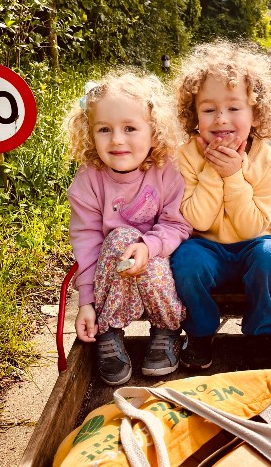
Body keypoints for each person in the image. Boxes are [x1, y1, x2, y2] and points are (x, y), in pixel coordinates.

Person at [170, 40, 271, 370]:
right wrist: (212, 172)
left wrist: (235, 175)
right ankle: (200, 330)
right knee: (184, 261)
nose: (221, 118)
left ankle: (260, 333)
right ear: (194, 116)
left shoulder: (268, 161)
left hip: (253, 244)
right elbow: (197, 219)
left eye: (234, 108)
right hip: (206, 246)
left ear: (255, 114)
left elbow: (252, 226)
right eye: (209, 110)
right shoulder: (187, 156)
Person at [65, 70, 192, 386]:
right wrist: (86, 303)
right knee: (120, 237)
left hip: (158, 269)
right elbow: (86, 240)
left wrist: (149, 246)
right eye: (104, 129)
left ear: (154, 131)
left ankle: (166, 330)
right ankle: (109, 331)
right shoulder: (88, 181)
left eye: (130, 128)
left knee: (139, 243)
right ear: (89, 133)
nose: (117, 140)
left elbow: (177, 224)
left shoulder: (167, 172)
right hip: (112, 275)